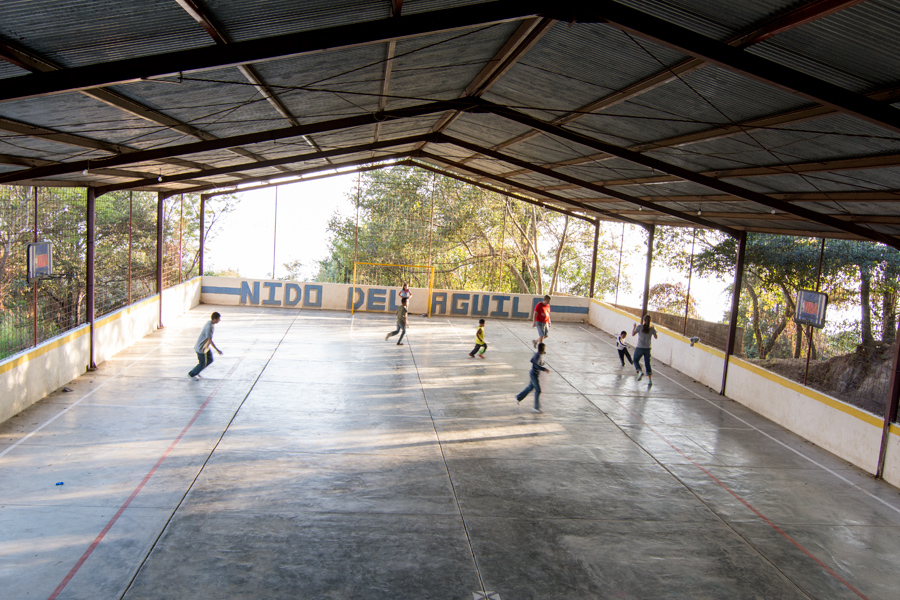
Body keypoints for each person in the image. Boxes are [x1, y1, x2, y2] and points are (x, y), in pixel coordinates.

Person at [189, 312, 222, 380]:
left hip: (206, 347)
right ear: (214, 319)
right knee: (202, 363)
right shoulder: (209, 327)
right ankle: (191, 374)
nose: (219, 320)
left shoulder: (210, 323)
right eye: (218, 319)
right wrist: (217, 350)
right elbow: (210, 340)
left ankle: (196, 370)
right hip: (201, 348)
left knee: (210, 360)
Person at [516, 342, 549, 413]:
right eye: (544, 349)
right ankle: (536, 407)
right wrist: (544, 369)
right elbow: (536, 365)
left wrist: (541, 363)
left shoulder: (538, 355)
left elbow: (532, 360)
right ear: (542, 349)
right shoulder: (537, 356)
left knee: (530, 388)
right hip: (533, 375)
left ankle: (519, 397)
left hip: (534, 374)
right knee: (538, 390)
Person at [632, 315, 658, 384]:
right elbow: (656, 337)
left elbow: (633, 334)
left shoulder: (639, 327)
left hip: (640, 347)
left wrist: (634, 327)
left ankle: (640, 371)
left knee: (635, 360)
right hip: (648, 348)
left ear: (644, 320)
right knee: (647, 363)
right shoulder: (652, 328)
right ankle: (650, 380)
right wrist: (655, 329)